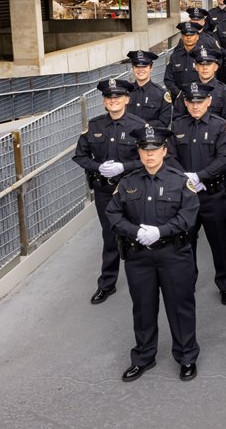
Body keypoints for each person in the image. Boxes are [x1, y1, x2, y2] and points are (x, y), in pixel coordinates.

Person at [105, 124, 201, 382]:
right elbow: (113, 214)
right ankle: (144, 356)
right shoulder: (128, 182)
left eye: (155, 149)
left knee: (180, 307)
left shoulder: (179, 181)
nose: (149, 154)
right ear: (138, 152)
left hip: (174, 254)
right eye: (144, 150)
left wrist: (161, 231)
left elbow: (189, 215)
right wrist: (135, 231)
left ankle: (186, 356)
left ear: (164, 151)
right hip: (139, 256)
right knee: (143, 308)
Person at [72, 78, 146, 304]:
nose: (113, 101)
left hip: (131, 189)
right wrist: (97, 167)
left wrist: (124, 167)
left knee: (136, 233)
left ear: (127, 99)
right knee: (110, 234)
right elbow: (80, 155)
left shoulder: (138, 126)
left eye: (118, 97)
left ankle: (143, 281)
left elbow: (149, 160)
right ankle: (107, 284)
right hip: (104, 190)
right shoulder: (94, 126)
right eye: (109, 98)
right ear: (104, 102)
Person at [167, 82, 226, 304]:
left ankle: (225, 285)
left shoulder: (220, 126)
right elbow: (169, 156)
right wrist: (185, 178)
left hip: (212, 195)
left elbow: (225, 158)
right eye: (191, 102)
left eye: (200, 101)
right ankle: (188, 282)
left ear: (209, 101)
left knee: (220, 243)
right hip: (185, 197)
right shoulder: (176, 126)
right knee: (186, 243)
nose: (195, 106)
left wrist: (200, 177)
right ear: (185, 103)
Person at [125, 50, 172, 128]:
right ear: (133, 68)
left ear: (151, 68)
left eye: (144, 66)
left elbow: (164, 122)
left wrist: (143, 127)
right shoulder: (125, 93)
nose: (140, 70)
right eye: (137, 66)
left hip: (151, 134)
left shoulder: (161, 94)